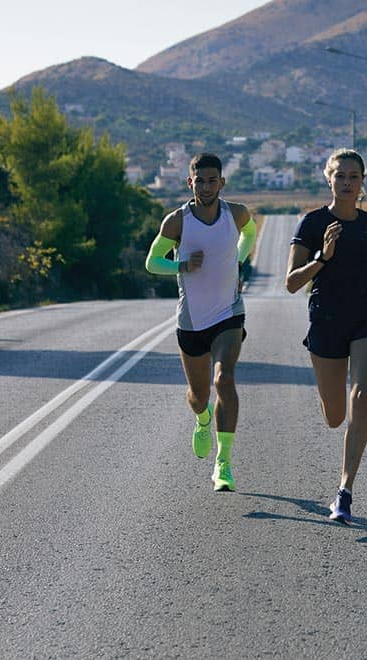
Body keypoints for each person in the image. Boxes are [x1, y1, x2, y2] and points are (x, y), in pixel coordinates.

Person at [286, 149, 367, 523]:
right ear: (328, 178)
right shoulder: (312, 223)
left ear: (363, 182)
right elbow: (291, 282)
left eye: (354, 177)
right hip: (326, 321)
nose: (347, 183)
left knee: (361, 396)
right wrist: (323, 256)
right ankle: (330, 401)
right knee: (335, 416)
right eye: (340, 176)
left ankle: (344, 491)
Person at [145, 152, 257, 491]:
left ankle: (223, 463)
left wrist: (238, 261)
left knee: (224, 380)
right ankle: (202, 417)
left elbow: (249, 236)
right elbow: (152, 262)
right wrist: (180, 266)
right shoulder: (176, 222)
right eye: (200, 180)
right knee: (198, 394)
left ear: (222, 182)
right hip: (192, 321)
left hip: (229, 313)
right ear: (189, 182)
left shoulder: (236, 214)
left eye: (213, 180)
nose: (206, 186)